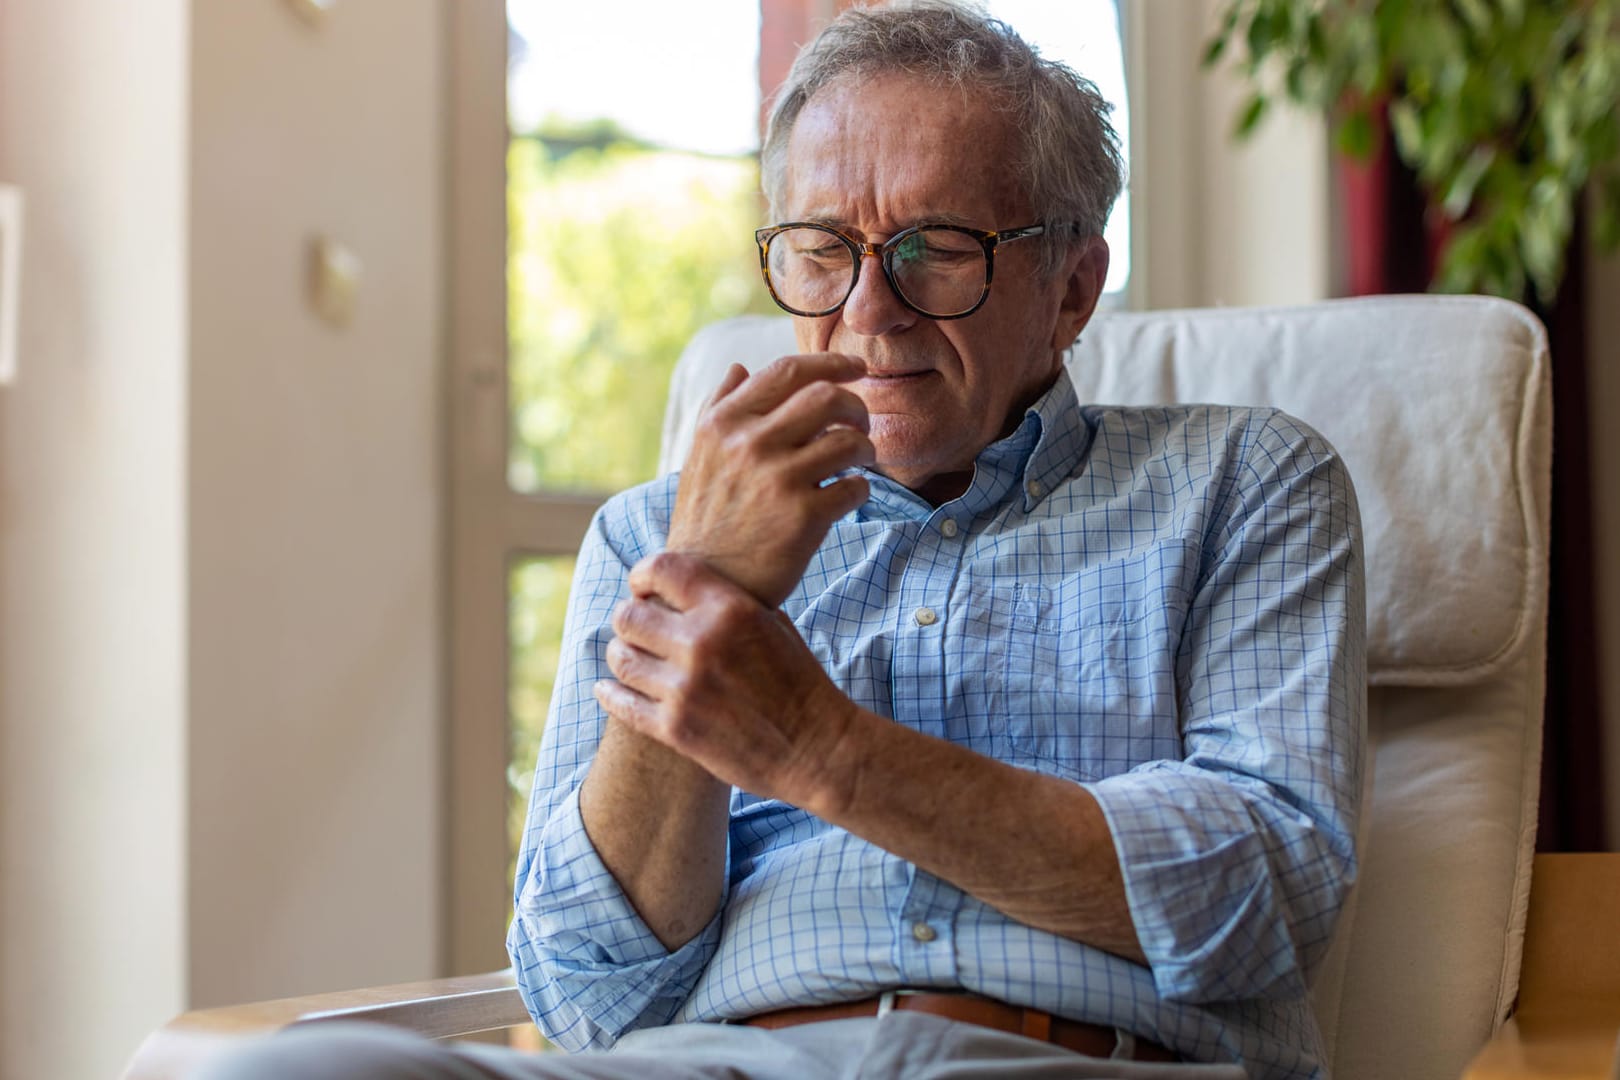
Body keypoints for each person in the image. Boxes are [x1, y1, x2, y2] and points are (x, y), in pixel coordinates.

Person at [196, 3, 1363, 1078]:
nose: (868, 310)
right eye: (820, 248)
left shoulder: (1244, 481)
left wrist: (820, 749)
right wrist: (704, 587)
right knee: (274, 1070)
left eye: (936, 248)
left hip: (1070, 1059)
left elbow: (1270, 895)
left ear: (1071, 287)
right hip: (721, 1065)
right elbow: (584, 997)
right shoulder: (652, 535)